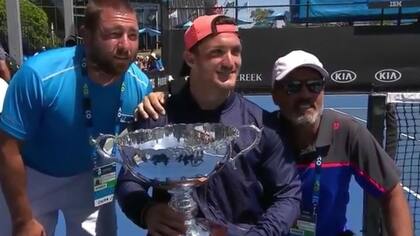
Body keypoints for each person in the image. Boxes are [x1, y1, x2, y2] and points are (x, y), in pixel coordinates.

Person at [117, 14, 301, 236]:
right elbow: (128, 182)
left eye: (236, 51)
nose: (230, 62)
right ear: (191, 58)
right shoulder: (157, 116)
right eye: (217, 52)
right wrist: (147, 211)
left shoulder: (262, 125)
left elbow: (288, 194)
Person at [0, 0, 162, 235]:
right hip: (32, 177)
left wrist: (159, 102)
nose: (125, 46)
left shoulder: (140, 86)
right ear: (85, 35)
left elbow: (145, 147)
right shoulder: (39, 76)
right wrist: (22, 219)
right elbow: (7, 147)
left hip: (93, 178)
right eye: (114, 34)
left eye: (133, 35)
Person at [270, 50, 413, 236]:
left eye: (314, 85)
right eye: (293, 87)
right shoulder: (261, 137)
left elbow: (391, 191)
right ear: (275, 95)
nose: (305, 94)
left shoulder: (347, 132)